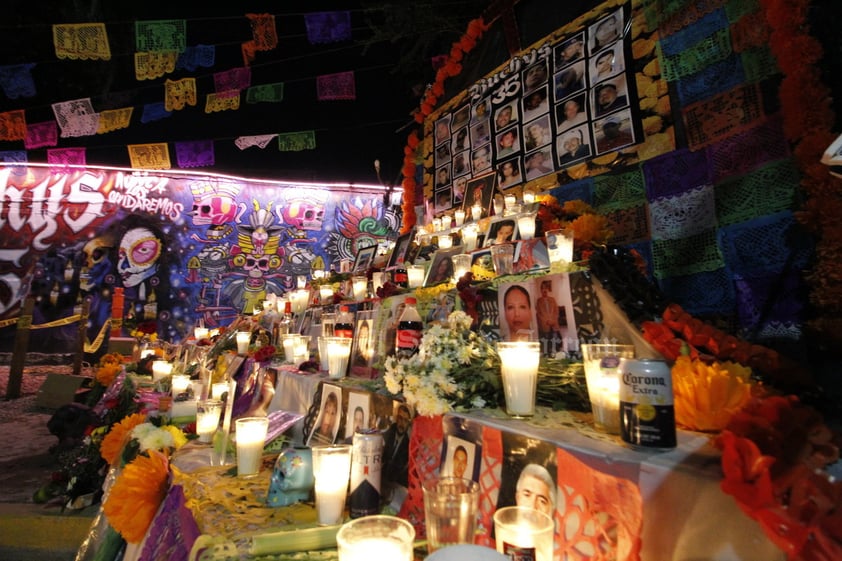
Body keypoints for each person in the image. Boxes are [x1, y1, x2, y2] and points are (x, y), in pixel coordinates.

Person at [382, 403, 412, 487]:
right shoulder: (387, 434)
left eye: (406, 420)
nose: (402, 423)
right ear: (396, 418)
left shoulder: (409, 445)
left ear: (409, 423)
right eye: (400, 418)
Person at [536, 279, 562, 356]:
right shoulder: (539, 301)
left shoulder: (552, 299)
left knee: (555, 336)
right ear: (541, 290)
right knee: (546, 338)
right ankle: (547, 352)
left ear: (547, 290)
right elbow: (539, 313)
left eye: (545, 288)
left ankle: (556, 351)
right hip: (545, 323)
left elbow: (556, 311)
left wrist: (553, 320)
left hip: (553, 322)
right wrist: (546, 321)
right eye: (542, 288)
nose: (544, 290)